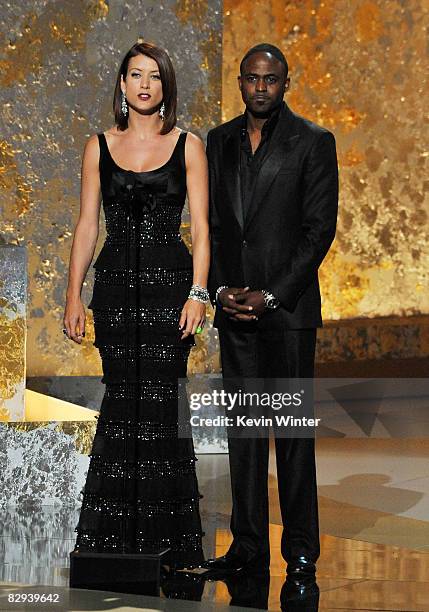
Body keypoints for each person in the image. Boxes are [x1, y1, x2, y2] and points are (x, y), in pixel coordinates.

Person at [63, 41, 210, 570]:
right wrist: (73, 292)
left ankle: (166, 544)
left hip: (172, 293)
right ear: (122, 86)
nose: (144, 84)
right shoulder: (96, 146)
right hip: (118, 295)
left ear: (165, 85)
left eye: (153, 75)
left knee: (162, 409)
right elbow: (86, 225)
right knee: (123, 408)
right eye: (134, 75)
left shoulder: (189, 145)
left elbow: (202, 227)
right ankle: (114, 547)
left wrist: (198, 291)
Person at [204, 43, 339, 583]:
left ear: (287, 82)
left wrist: (274, 295)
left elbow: (317, 232)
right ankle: (248, 547)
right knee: (243, 438)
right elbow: (210, 226)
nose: (261, 88)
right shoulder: (218, 142)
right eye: (252, 79)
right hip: (234, 311)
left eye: (272, 79)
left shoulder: (313, 141)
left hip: (287, 315)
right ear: (240, 83)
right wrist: (220, 291)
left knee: (291, 439)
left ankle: (301, 551)